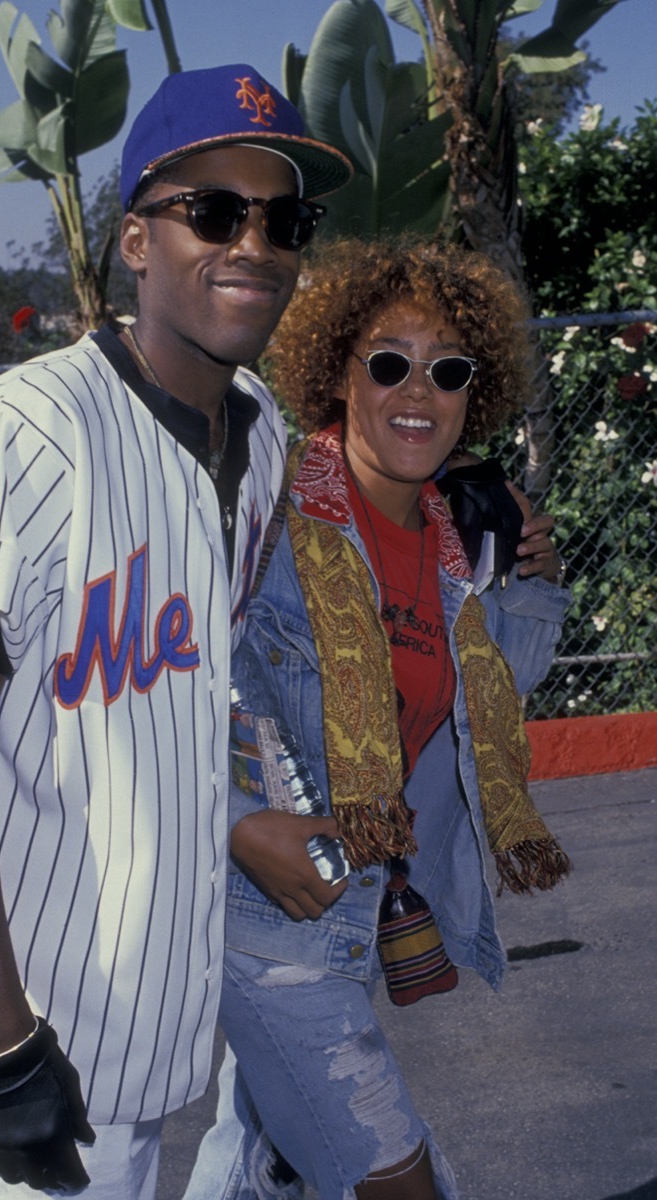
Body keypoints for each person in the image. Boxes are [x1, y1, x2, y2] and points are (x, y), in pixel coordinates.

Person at [0, 63, 351, 1199]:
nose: (253, 243)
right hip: (26, 1004)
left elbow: (189, 698)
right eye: (213, 210)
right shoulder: (24, 430)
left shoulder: (260, 435)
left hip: (156, 999)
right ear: (138, 242)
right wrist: (0, 1045)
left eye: (283, 219)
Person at [184, 238, 571, 1200]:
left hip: (349, 909)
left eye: (448, 370)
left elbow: (490, 704)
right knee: (391, 1177)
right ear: (337, 372)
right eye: (389, 361)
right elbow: (186, 696)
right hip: (263, 926)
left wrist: (534, 582)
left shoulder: (454, 533)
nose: (418, 390)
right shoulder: (264, 515)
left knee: (259, 1153)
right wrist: (238, 822)